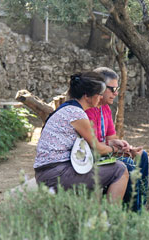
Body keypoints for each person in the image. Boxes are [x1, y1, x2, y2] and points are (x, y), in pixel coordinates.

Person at [34, 72, 129, 204]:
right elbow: (98, 148)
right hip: (55, 174)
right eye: (99, 94)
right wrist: (115, 149)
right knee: (120, 169)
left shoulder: (68, 108)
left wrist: (111, 146)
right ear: (87, 96)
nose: (101, 97)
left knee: (101, 169)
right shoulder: (77, 114)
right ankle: (110, 218)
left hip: (48, 172)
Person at [85, 67, 149, 211]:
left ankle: (140, 205)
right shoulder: (88, 110)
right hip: (92, 157)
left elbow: (111, 138)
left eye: (117, 88)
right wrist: (119, 152)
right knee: (127, 163)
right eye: (112, 89)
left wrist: (125, 148)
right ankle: (131, 212)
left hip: (105, 152)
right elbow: (93, 145)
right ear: (99, 88)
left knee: (141, 156)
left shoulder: (105, 108)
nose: (116, 93)